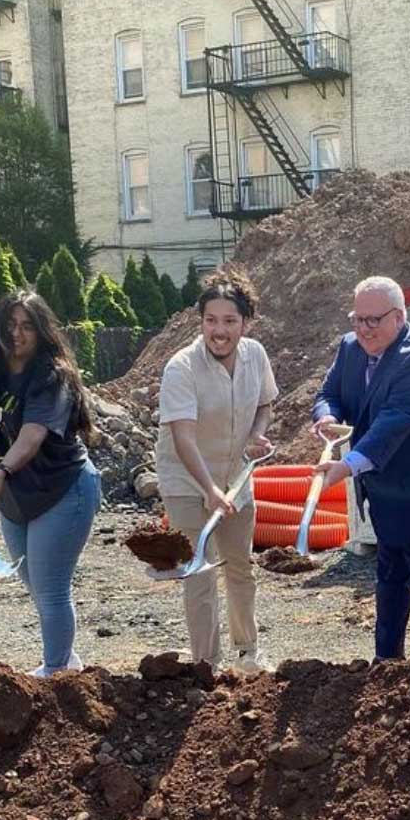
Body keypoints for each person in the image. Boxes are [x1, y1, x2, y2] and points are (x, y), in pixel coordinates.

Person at [312, 276, 410, 662]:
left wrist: (344, 468)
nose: (363, 329)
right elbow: (329, 393)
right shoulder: (351, 349)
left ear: (399, 318)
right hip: (387, 491)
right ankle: (387, 670)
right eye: (357, 319)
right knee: (390, 581)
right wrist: (327, 416)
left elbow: (391, 425)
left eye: (374, 320)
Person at [0, 290, 101, 678]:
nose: (17, 334)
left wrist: (3, 471)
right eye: (9, 325)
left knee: (51, 589)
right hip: (17, 494)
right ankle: (67, 661)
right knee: (35, 586)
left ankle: (54, 672)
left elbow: (32, 435)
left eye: (27, 326)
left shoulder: (53, 375)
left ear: (41, 331)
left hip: (63, 487)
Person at [155, 269, 277, 672]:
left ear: (245, 323)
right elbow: (183, 439)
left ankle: (248, 653)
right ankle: (206, 663)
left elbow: (264, 403)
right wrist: (208, 489)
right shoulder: (181, 368)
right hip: (189, 484)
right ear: (201, 322)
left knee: (240, 566)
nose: (219, 331)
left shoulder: (256, 355)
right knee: (200, 572)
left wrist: (257, 436)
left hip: (236, 480)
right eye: (211, 321)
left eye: (229, 321)